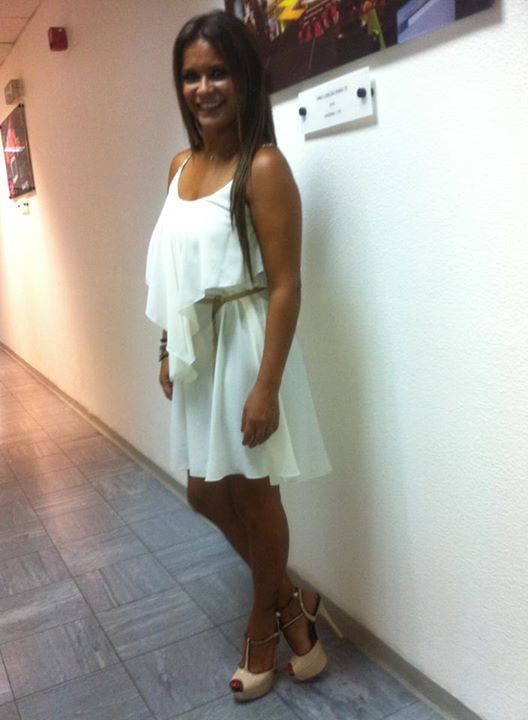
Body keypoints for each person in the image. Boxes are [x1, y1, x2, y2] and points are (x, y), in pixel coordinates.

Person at [145, 9, 341, 703]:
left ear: (245, 78)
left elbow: (286, 285)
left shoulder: (264, 165)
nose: (203, 88)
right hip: (201, 351)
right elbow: (174, 271)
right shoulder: (180, 165)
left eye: (218, 72)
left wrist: (267, 386)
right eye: (191, 75)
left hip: (249, 349)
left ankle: (263, 629)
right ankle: (293, 605)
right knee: (204, 492)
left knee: (256, 496)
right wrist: (168, 345)